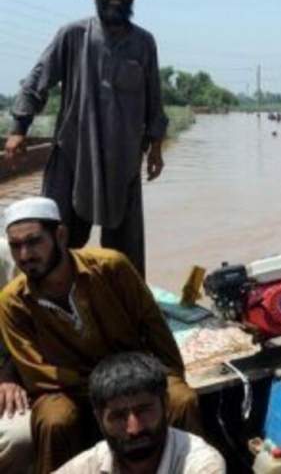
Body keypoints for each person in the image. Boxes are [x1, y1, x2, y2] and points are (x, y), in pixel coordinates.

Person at [0, 197, 202, 473]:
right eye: (16, 246)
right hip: (66, 389)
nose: (24, 255)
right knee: (54, 420)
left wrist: (171, 376)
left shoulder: (112, 267)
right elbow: (38, 374)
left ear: (60, 235)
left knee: (181, 399)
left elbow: (154, 328)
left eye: (34, 242)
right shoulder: (11, 302)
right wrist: (104, 394)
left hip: (133, 374)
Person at [4, 0, 168, 276]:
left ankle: (124, 308)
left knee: (125, 253)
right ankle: (50, 305)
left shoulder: (144, 43)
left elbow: (154, 99)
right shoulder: (73, 35)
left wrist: (156, 149)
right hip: (74, 153)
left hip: (124, 158)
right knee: (56, 239)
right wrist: (19, 127)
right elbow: (38, 78)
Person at [55, 352, 224, 474]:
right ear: (99, 418)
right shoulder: (88, 465)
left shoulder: (200, 464)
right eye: (119, 416)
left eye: (143, 410)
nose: (134, 429)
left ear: (165, 404)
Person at [0, 237, 33, 472]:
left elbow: (31, 322)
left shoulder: (6, 253)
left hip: (6, 372)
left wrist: (10, 373)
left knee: (22, 435)